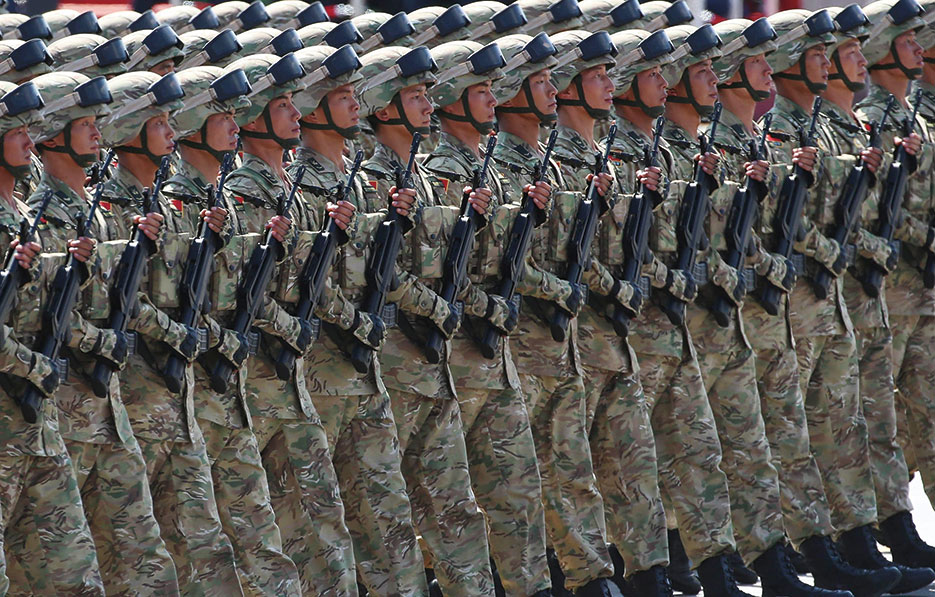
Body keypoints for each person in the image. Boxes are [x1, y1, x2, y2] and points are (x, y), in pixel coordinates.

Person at [358, 44, 496, 596]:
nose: (427, 105)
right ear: (385, 108)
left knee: (451, 498)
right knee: (382, 502)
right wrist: (441, 309)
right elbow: (375, 274)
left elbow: (447, 264)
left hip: (430, 362)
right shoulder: (369, 183)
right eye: (414, 95)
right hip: (389, 362)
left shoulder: (426, 174)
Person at [422, 38, 552, 597]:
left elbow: (504, 259)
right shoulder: (444, 174)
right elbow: (442, 273)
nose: (492, 99)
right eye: (479, 91)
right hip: (452, 357)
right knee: (449, 498)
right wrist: (487, 306)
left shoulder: (489, 168)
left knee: (518, 487)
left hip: (493, 355)